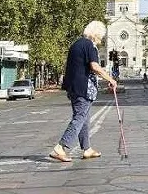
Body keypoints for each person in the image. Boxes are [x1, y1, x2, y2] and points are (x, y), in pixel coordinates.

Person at [50, 21, 117, 162]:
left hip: (73, 87)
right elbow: (94, 66)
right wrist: (110, 79)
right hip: (83, 88)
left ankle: (87, 149)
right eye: (100, 37)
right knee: (80, 118)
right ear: (96, 35)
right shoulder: (89, 45)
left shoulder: (76, 44)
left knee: (84, 119)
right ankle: (60, 147)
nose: (100, 41)